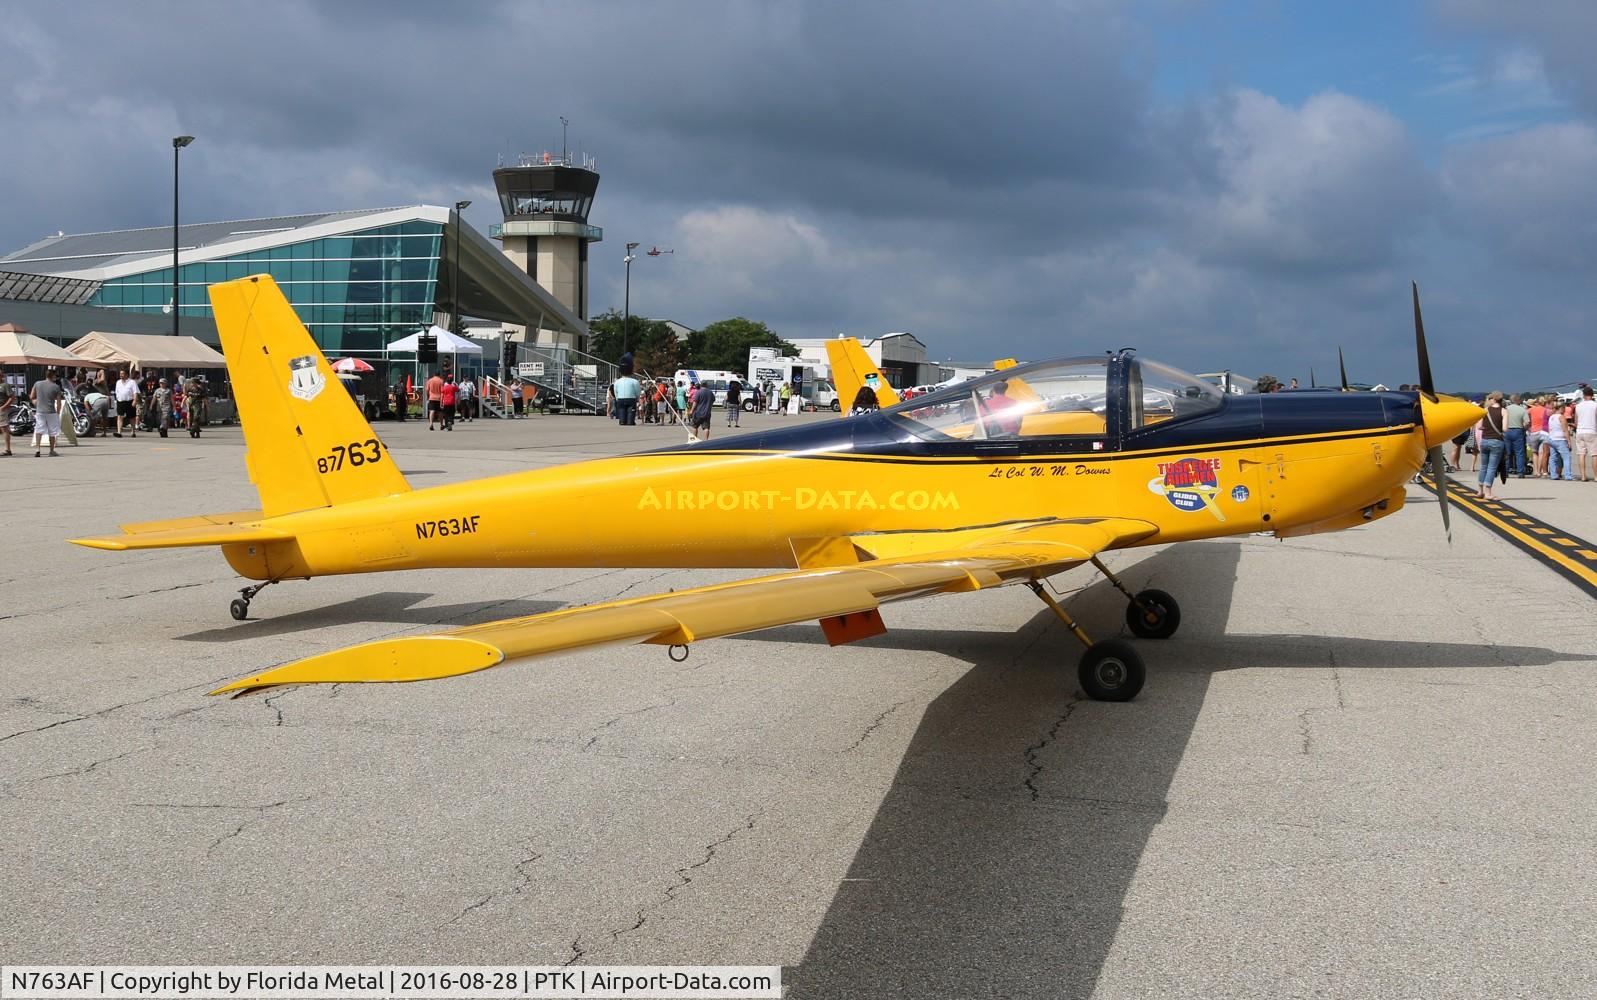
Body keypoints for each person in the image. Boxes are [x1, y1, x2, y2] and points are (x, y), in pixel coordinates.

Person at [1477, 390, 1506, 499]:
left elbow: (1480, 426)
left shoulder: (1485, 410)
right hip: (1496, 441)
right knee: (1492, 467)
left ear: (1492, 399)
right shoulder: (1503, 411)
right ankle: (1488, 492)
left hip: (1484, 440)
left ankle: (1480, 490)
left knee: (1483, 466)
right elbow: (1505, 428)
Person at [30, 367, 64, 458]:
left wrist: (36, 403)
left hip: (40, 411)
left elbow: (32, 396)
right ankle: (51, 450)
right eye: (55, 376)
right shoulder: (56, 387)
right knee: (52, 432)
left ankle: (38, 449)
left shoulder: (37, 384)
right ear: (52, 376)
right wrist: (58, 412)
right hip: (51, 411)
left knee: (39, 430)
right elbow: (59, 402)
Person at [1547, 400, 1575, 481]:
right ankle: (1568, 475)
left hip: (1552, 438)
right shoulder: (1561, 417)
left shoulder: (1551, 417)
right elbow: (1565, 430)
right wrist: (1569, 441)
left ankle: (1553, 474)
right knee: (1566, 457)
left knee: (1553, 458)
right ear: (1561, 408)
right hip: (1560, 439)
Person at [1574, 385, 1597, 483]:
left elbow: (1576, 421)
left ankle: (1583, 476)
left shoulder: (1578, 406)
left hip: (1580, 431)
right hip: (1591, 431)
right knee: (1594, 454)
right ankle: (1596, 476)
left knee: (1581, 454)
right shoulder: (1595, 405)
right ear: (1592, 395)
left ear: (1583, 395)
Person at [1504, 393, 1529, 478]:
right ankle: (1520, 472)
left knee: (1507, 452)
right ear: (1518, 400)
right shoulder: (1522, 410)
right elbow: (1527, 422)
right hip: (1518, 430)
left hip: (1507, 430)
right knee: (1519, 453)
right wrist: (1524, 428)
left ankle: (1506, 471)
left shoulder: (1506, 409)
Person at [1527, 395, 1549, 478]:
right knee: (1541, 453)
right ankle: (1540, 471)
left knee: (1534, 452)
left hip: (1534, 431)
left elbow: (1525, 414)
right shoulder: (1546, 410)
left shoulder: (1532, 409)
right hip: (1543, 431)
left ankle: (1536, 471)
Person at [113, 368, 139, 438]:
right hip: (120, 401)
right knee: (119, 416)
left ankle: (133, 431)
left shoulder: (132, 382)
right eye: (120, 374)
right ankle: (119, 432)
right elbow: (117, 392)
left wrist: (135, 401)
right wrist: (117, 399)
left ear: (127, 375)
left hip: (130, 401)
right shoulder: (118, 382)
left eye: (122, 373)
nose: (121, 375)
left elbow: (135, 392)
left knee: (132, 417)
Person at [0, 381, 13, 456]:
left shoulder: (5, 385)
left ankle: (8, 450)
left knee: (4, 428)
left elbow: (12, 397)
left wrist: (4, 407)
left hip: (1, 409)